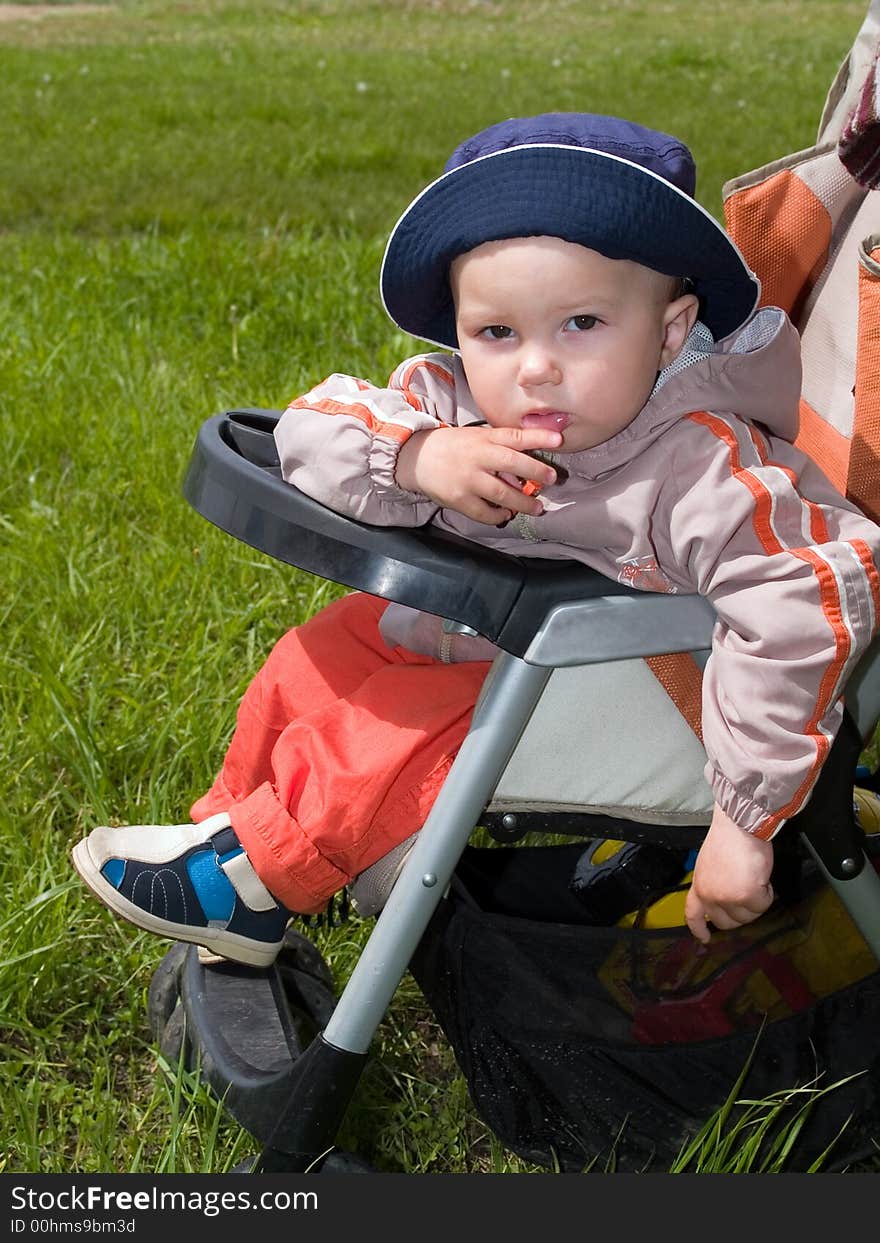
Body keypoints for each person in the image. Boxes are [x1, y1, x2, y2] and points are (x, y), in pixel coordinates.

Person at [71, 112, 880, 963]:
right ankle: (229, 841)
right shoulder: (453, 404)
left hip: (641, 697)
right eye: (498, 332)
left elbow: (810, 588)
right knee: (317, 652)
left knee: (396, 723)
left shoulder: (698, 463)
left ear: (671, 331)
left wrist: (746, 819)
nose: (533, 367)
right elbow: (309, 431)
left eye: (582, 325)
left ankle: (258, 869)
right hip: (474, 637)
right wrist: (419, 456)